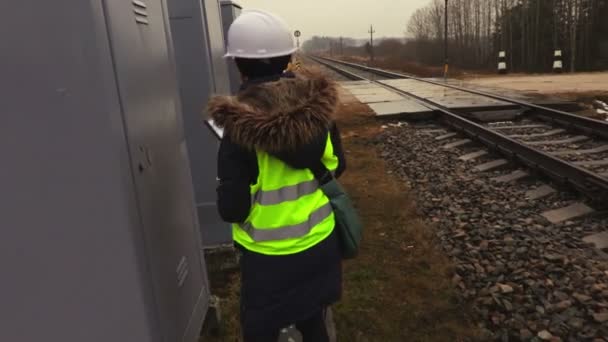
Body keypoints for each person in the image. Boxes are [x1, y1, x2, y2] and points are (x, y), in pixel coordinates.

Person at [207, 9, 346, 342]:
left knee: (261, 330)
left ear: (238, 63)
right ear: (287, 59)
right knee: (313, 320)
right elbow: (337, 165)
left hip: (268, 261)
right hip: (320, 245)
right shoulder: (319, 109)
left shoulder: (238, 130)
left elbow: (233, 209)